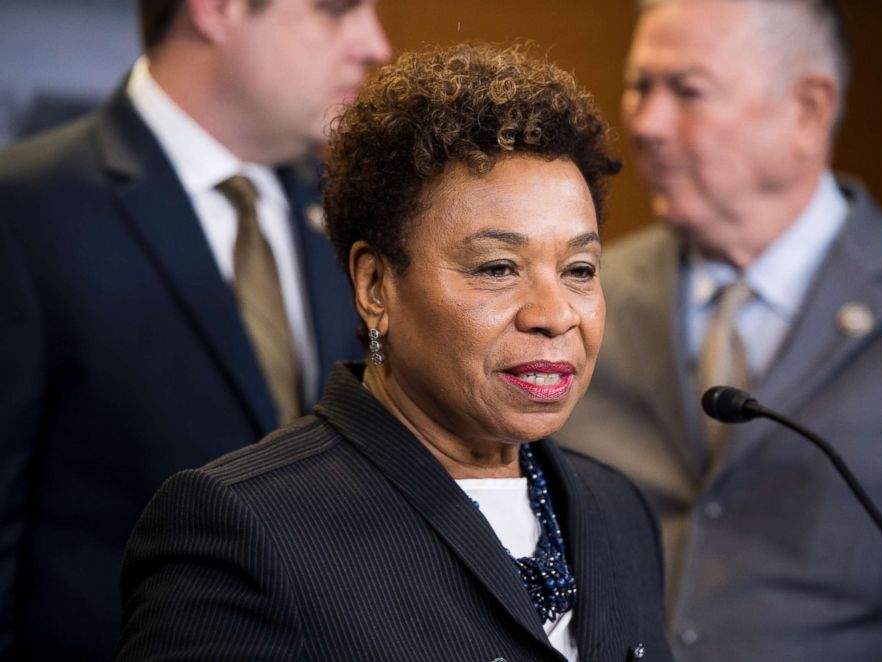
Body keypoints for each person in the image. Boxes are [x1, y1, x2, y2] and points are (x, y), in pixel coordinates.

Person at [114, 43, 674, 661]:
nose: (554, 315)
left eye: (579, 269)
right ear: (375, 286)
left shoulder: (618, 511)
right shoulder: (243, 528)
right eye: (496, 268)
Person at [557, 0, 882, 660]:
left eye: (687, 90)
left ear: (809, 108)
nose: (645, 122)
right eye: (640, 86)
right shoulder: (575, 296)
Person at [0, 0, 391, 657]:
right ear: (216, 10)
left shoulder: (350, 214)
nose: (375, 44)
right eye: (335, 10)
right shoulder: (25, 213)